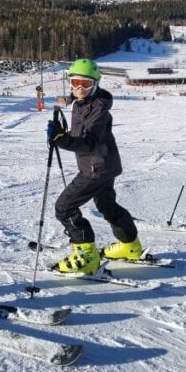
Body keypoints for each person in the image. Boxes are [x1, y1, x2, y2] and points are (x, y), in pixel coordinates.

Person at [46, 58, 140, 274]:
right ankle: (130, 246)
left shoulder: (97, 111)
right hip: (106, 165)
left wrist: (62, 139)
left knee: (64, 207)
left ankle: (87, 256)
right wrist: (64, 122)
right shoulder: (86, 101)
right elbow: (79, 121)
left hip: (95, 168)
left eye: (85, 84)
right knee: (107, 205)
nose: (79, 88)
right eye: (75, 82)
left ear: (96, 84)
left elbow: (88, 142)